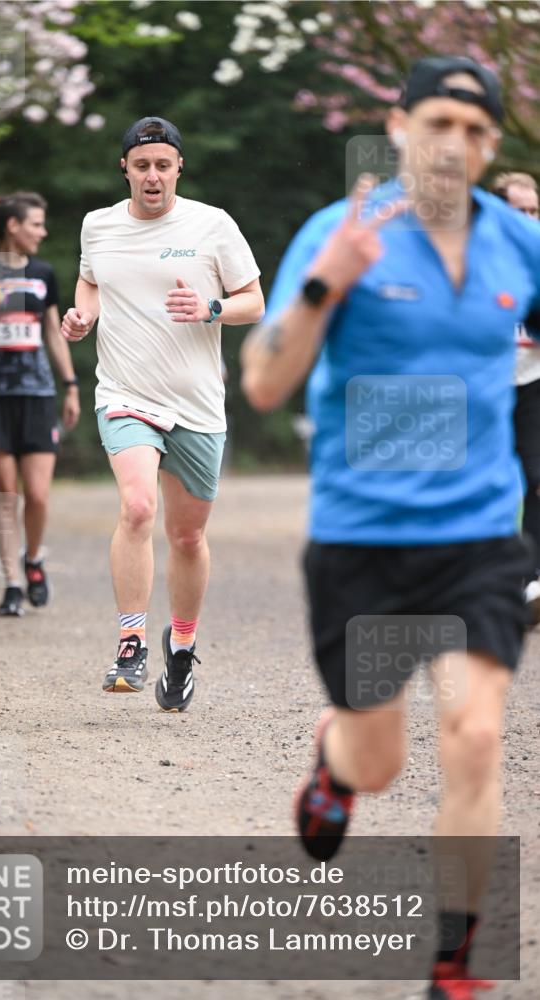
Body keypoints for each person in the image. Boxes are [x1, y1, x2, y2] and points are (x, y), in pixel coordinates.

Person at [241, 57, 540, 1000]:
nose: (454, 142)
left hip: (480, 536)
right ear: (400, 123)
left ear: (490, 146)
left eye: (474, 128)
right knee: (379, 758)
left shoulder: (517, 244)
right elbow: (261, 382)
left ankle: (455, 958)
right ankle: (334, 766)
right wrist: (326, 286)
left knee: (476, 734)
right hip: (362, 540)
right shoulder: (340, 233)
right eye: (438, 120)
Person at [61, 116, 263, 710]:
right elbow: (89, 281)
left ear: (179, 168)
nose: (153, 175)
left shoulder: (213, 224)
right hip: (124, 391)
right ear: (125, 168)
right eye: (142, 164)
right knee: (138, 506)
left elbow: (254, 302)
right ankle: (131, 641)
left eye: (163, 165)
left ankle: (181, 647)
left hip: (197, 403)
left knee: (188, 534)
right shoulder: (97, 226)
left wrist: (210, 306)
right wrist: (82, 316)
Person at [0, 191, 80, 616]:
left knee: (38, 495)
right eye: (36, 224)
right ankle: (11, 584)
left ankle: (34, 558)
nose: (43, 233)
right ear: (13, 226)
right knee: (7, 495)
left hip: (38, 394)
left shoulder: (43, 273)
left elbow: (52, 333)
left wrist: (71, 385)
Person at [492, 172, 540, 621]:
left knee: (536, 477)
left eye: (533, 210)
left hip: (533, 383)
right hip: (484, 387)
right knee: (487, 484)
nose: (528, 219)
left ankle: (530, 582)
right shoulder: (474, 260)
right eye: (518, 210)